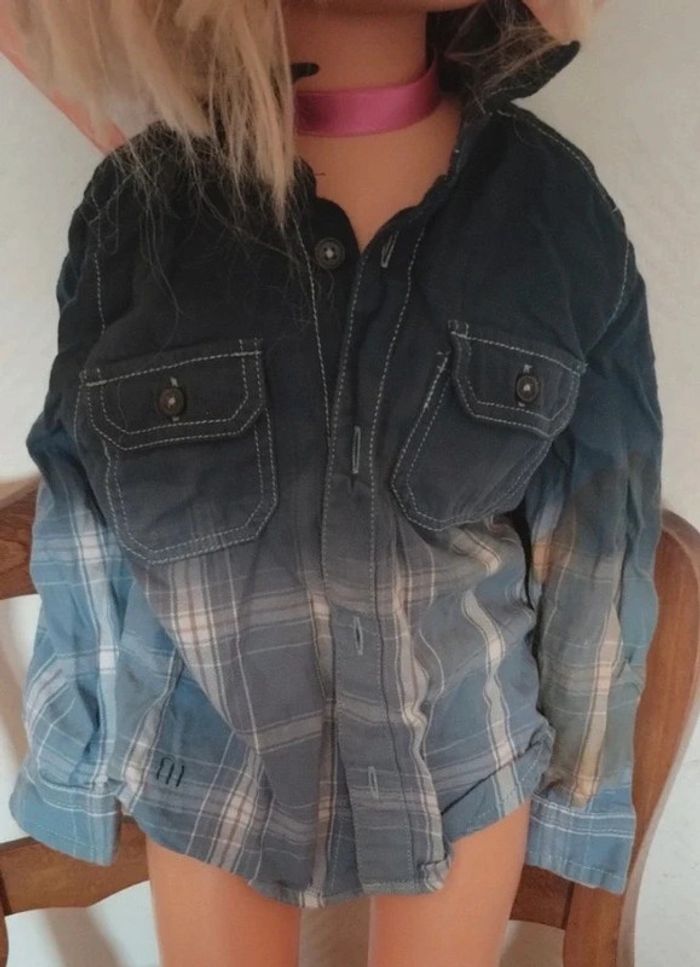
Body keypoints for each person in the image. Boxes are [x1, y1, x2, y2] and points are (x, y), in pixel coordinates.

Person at [6, 1, 663, 965]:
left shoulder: (555, 215)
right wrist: (85, 770)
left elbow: (599, 540)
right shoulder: (138, 213)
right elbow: (85, 513)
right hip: (212, 772)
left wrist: (581, 794)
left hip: (465, 768)